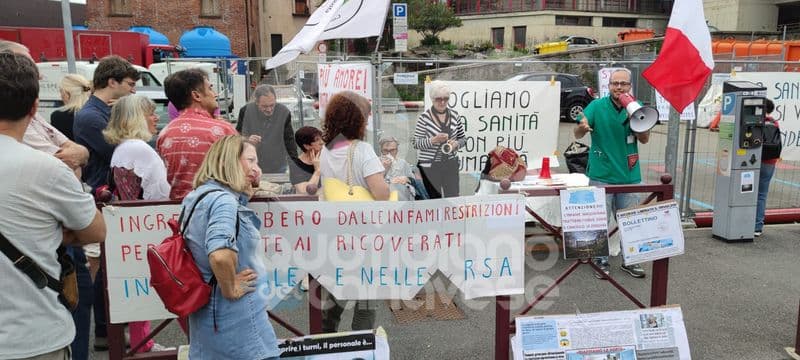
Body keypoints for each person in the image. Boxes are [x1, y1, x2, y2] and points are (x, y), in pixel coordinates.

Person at [0, 51, 106, 360]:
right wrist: (51, 233)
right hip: (33, 335)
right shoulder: (46, 169)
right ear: (35, 109)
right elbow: (96, 229)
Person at [182, 135, 281, 360]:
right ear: (230, 161)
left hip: (209, 319)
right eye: (251, 160)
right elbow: (219, 255)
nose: (257, 168)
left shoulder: (198, 196)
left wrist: (244, 193)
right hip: (239, 324)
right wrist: (231, 287)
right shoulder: (224, 202)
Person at [72, 54, 140, 353]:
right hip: (105, 198)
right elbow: (121, 148)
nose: (133, 90)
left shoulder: (101, 112)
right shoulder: (90, 117)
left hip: (110, 197)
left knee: (111, 268)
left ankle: (108, 330)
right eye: (129, 84)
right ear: (111, 82)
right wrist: (128, 123)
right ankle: (106, 331)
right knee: (107, 270)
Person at [102, 95, 172, 353]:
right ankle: (146, 342)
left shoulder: (122, 149)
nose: (156, 118)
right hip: (148, 226)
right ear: (136, 118)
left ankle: (143, 340)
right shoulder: (141, 150)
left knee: (139, 286)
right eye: (151, 113)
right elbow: (160, 194)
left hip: (129, 226)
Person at [319, 91, 389, 332]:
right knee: (366, 302)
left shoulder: (327, 149)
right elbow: (381, 193)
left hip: (335, 233)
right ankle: (360, 350)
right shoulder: (363, 150)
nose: (367, 121)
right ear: (355, 119)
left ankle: (326, 347)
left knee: (333, 299)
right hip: (364, 235)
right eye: (365, 117)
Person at [574, 68, 649, 280]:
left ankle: (631, 261)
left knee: (631, 221)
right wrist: (583, 127)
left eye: (623, 84)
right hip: (602, 173)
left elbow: (644, 139)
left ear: (629, 86)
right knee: (599, 221)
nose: (619, 87)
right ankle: (600, 260)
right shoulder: (597, 106)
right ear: (609, 86)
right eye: (615, 83)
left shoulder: (636, 107)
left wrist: (637, 121)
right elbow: (578, 130)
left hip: (629, 175)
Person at [158, 69, 238, 200]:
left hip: (180, 212)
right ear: (196, 96)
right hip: (219, 209)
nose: (215, 94)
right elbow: (241, 175)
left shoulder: (165, 134)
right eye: (210, 88)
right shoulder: (223, 130)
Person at [412, 80, 466, 198]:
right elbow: (416, 143)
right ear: (432, 99)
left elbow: (463, 139)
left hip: (450, 164)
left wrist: (456, 144)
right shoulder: (424, 118)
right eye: (438, 99)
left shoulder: (455, 115)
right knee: (432, 200)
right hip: (429, 167)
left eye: (445, 98)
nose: (442, 102)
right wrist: (434, 140)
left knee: (453, 198)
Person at [237, 84, 299, 174]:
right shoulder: (245, 111)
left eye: (272, 105)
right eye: (265, 106)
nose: (269, 109)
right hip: (252, 163)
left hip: (277, 163)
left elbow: (289, 140)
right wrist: (247, 139)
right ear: (257, 102)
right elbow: (237, 136)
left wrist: (295, 164)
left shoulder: (283, 112)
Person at [755, 99, 779, 237]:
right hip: (770, 162)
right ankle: (758, 227)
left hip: (756, 161)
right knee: (762, 195)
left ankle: (745, 222)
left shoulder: (758, 122)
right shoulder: (774, 123)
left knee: (748, 193)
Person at [52, 74, 92, 141]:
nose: (60, 96)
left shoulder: (57, 116)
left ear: (67, 94)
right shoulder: (96, 111)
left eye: (61, 92)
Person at [379, 136, 419, 201]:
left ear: (397, 150)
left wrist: (407, 179)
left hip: (403, 196)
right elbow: (373, 184)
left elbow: (413, 181)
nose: (389, 153)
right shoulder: (376, 163)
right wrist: (385, 169)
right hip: (385, 197)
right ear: (381, 150)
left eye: (392, 150)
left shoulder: (403, 163)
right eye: (385, 150)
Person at [289, 126, 323, 194]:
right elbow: (304, 191)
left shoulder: (325, 157)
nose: (322, 142)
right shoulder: (296, 165)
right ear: (306, 146)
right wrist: (317, 171)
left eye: (321, 138)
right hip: (308, 203)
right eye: (317, 140)